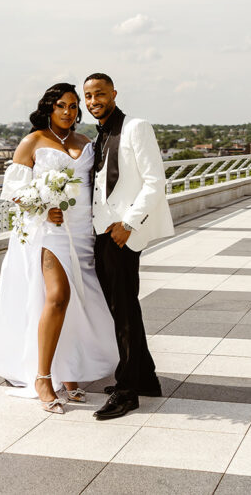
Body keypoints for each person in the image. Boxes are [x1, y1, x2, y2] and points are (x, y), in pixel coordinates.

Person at [0, 83, 118, 414]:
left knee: (76, 303)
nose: (68, 111)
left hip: (82, 233)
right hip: (50, 231)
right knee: (57, 296)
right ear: (49, 107)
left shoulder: (86, 143)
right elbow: (13, 190)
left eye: (74, 106)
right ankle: (43, 377)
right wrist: (43, 206)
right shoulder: (33, 141)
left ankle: (69, 374)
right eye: (62, 105)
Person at [84, 73, 174, 420]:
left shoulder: (136, 127)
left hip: (121, 233)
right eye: (89, 97)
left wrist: (128, 224)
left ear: (114, 94)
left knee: (123, 312)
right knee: (124, 309)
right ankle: (145, 378)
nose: (94, 101)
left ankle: (126, 391)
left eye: (100, 94)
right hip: (103, 232)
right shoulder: (100, 136)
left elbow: (155, 182)